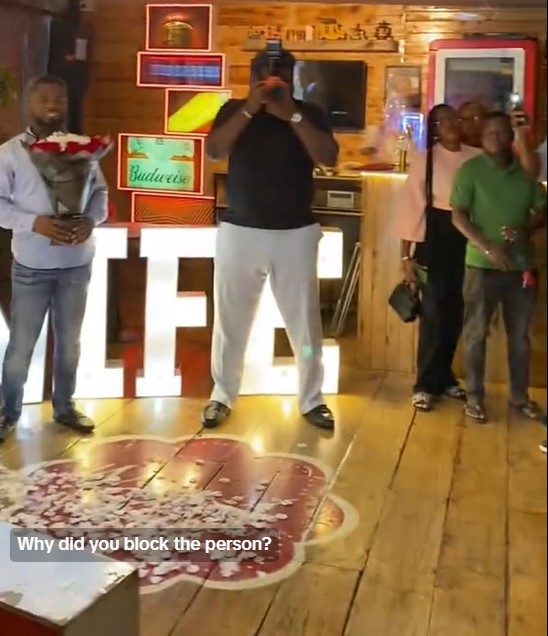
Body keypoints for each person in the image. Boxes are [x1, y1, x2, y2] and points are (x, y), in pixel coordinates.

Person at [201, 49, 339, 430]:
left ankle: (312, 399)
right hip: (240, 231)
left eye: (281, 71)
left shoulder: (308, 113)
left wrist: (290, 114)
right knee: (230, 321)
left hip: (295, 232)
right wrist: (251, 108)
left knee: (304, 325)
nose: (273, 77)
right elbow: (214, 151)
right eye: (265, 71)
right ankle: (222, 395)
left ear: (293, 76)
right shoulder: (234, 109)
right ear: (253, 75)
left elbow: (328, 157)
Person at [0, 75, 108, 443]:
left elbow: (100, 194)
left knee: (70, 343)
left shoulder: (84, 150)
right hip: (31, 266)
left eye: (59, 98)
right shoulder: (10, 153)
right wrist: (36, 224)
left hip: (77, 265)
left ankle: (65, 407)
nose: (52, 105)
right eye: (44, 98)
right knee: (21, 346)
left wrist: (91, 221)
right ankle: (7, 412)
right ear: (28, 104)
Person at [451, 112, 547, 423]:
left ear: (511, 136)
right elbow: (458, 215)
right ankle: (474, 397)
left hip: (522, 266)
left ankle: (520, 398)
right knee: (476, 334)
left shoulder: (526, 171)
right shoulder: (470, 171)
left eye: (502, 132)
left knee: (519, 337)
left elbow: (542, 211)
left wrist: (525, 229)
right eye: (489, 132)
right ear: (481, 137)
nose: (495, 137)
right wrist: (488, 247)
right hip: (481, 266)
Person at [394, 104, 480, 411]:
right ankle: (424, 385)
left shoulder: (477, 157)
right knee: (432, 313)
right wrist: (405, 257)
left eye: (453, 118)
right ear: (434, 130)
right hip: (435, 240)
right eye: (442, 121)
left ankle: (444, 378)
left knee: (456, 312)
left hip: (467, 238)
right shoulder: (426, 160)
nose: (450, 124)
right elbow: (411, 208)